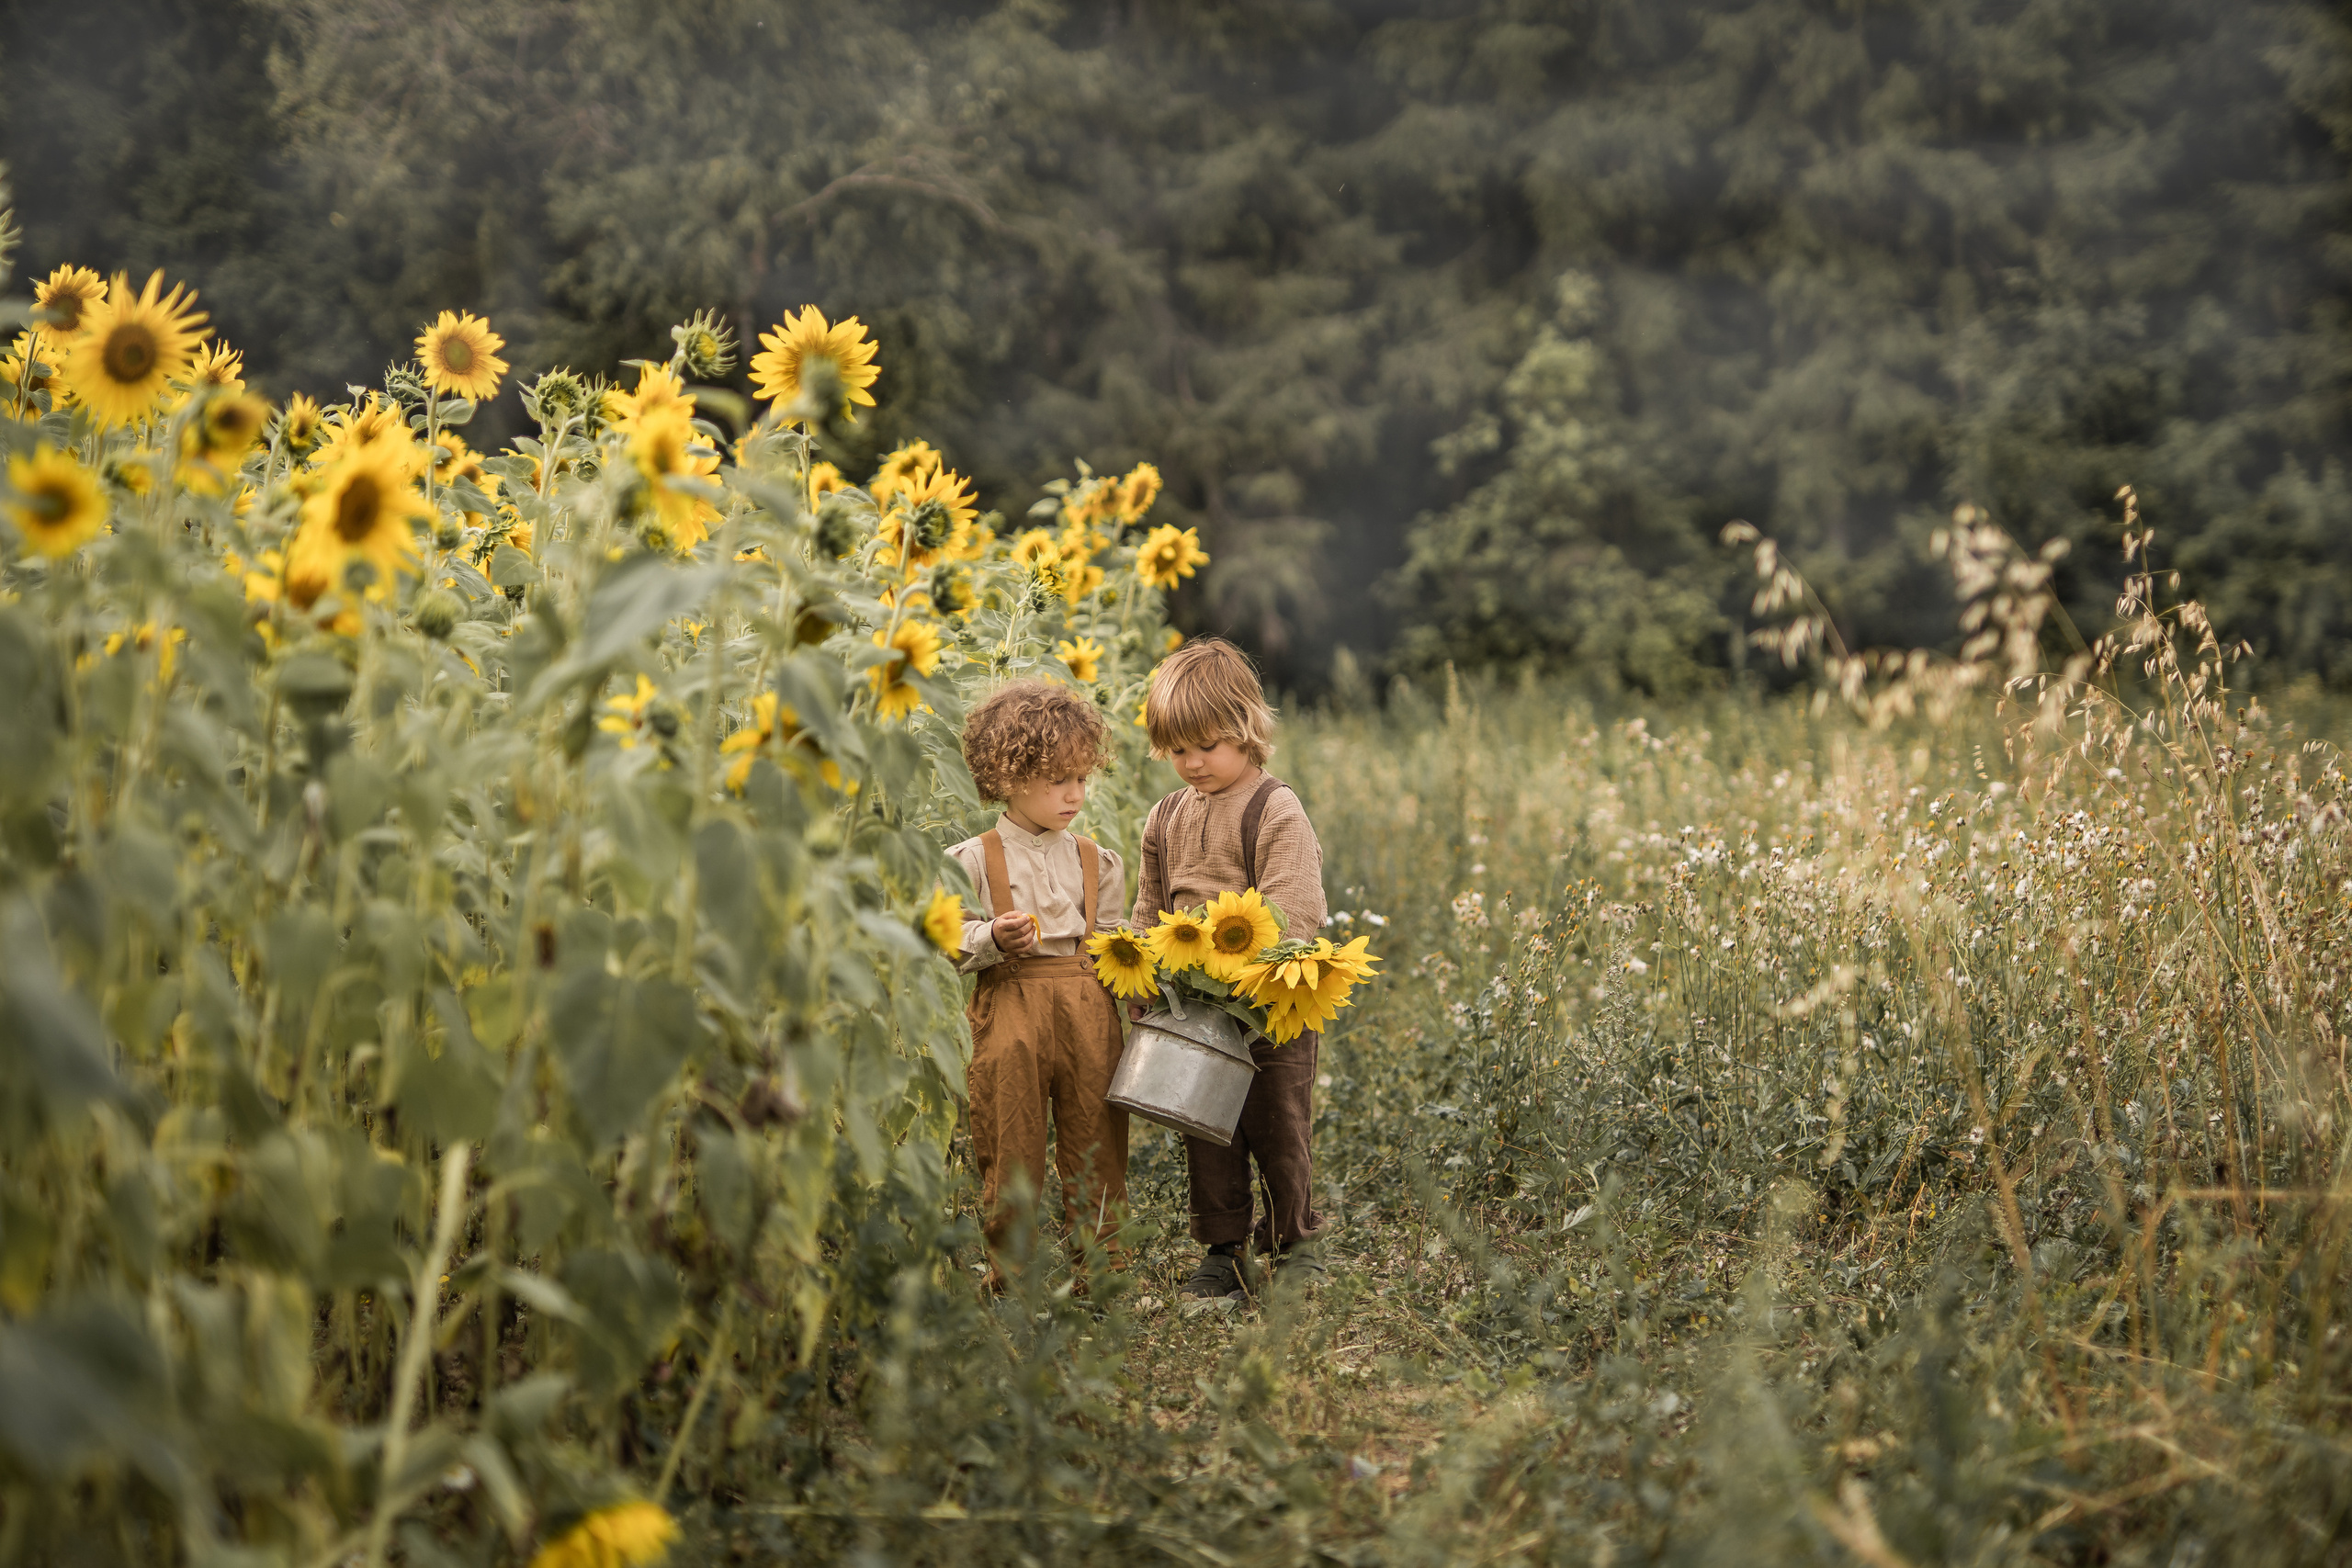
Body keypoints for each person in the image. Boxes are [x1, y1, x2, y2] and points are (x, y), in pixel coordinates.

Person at [1130, 637, 1329, 1303]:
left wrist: (1252, 969)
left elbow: (1295, 904)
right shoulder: (1165, 816)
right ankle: (1224, 1250)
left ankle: (1295, 1242)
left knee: (1279, 1125)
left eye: (1207, 746)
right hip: (1194, 1007)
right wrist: (1142, 976)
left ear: (1245, 728)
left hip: (1271, 1004)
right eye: (1177, 749)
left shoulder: (1274, 809)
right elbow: (1149, 907)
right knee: (1207, 1130)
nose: (1192, 763)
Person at [948, 680, 1130, 1280]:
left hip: (1088, 1005)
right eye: (1058, 780)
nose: (1075, 794)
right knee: (1010, 1138)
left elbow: (1113, 940)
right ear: (1009, 776)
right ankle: (1012, 1273)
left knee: (1096, 1137)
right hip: (1011, 1003)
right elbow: (948, 936)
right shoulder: (974, 859)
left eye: (1081, 778)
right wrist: (991, 937)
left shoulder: (1096, 860)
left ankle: (1101, 1267)